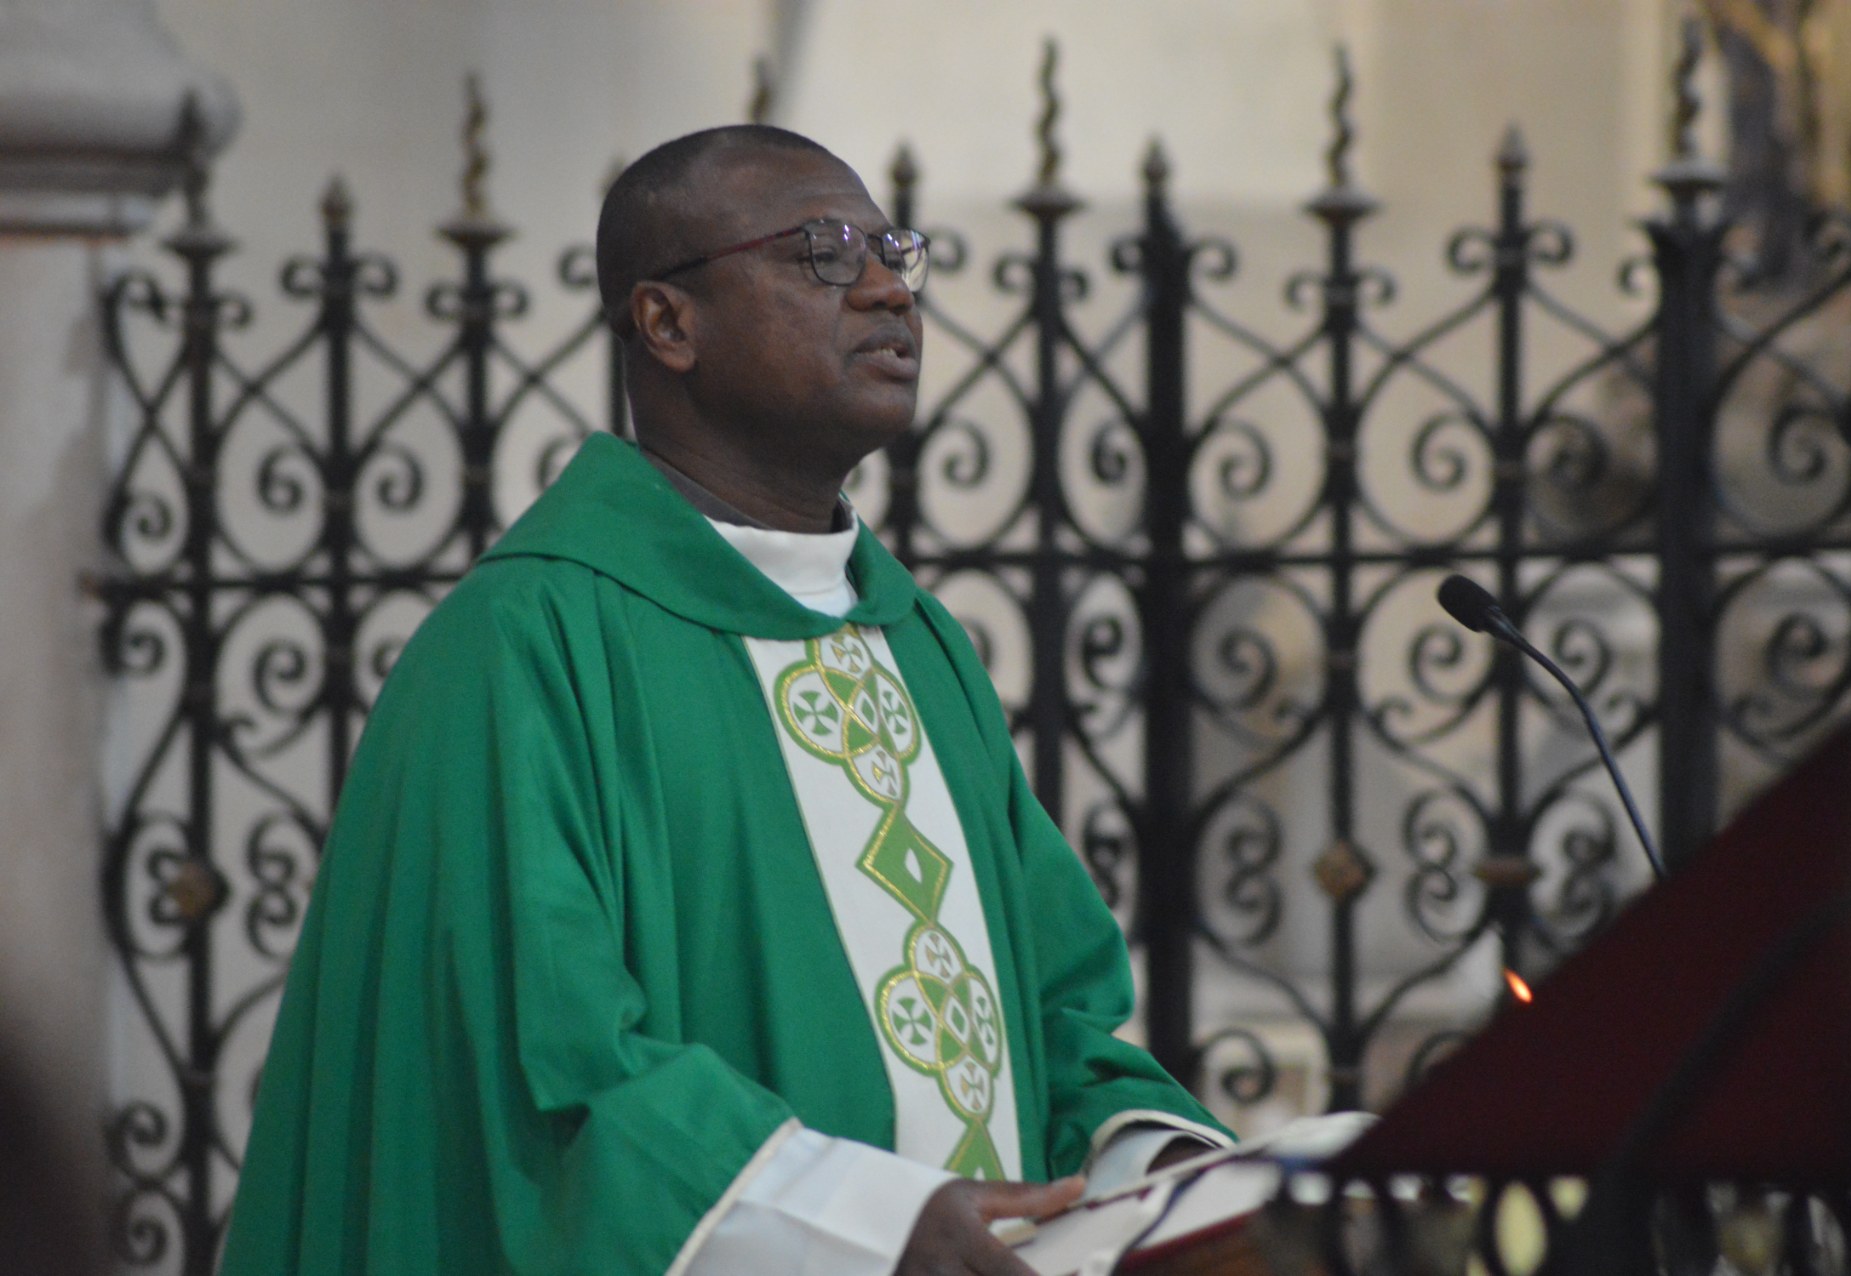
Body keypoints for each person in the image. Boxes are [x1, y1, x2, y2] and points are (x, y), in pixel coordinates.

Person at [222, 124, 1229, 1276]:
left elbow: (1059, 1014)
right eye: (823, 252)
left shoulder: (915, 643)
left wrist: (1161, 1180)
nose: (891, 288)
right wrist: (866, 1225)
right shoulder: (527, 648)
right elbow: (534, 1071)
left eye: (894, 249)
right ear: (667, 322)